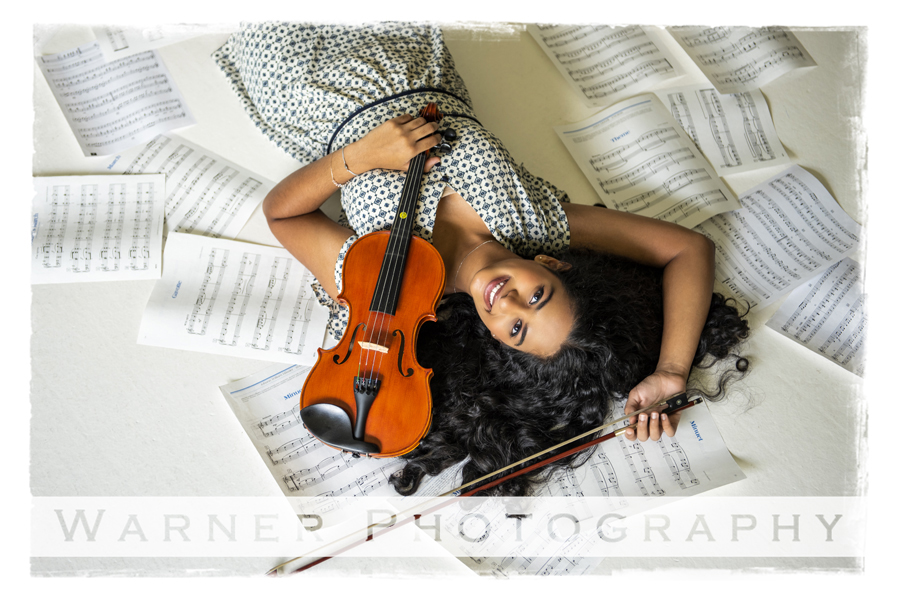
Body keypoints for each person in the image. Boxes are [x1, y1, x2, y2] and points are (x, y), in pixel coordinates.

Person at [214, 22, 750, 496]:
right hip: (412, 46)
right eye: (538, 296)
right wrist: (672, 371)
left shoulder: (397, 287)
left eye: (516, 329)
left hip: (306, 80)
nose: (510, 302)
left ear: (496, 342)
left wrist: (360, 158)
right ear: (555, 264)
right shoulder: (538, 218)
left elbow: (282, 216)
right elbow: (688, 248)